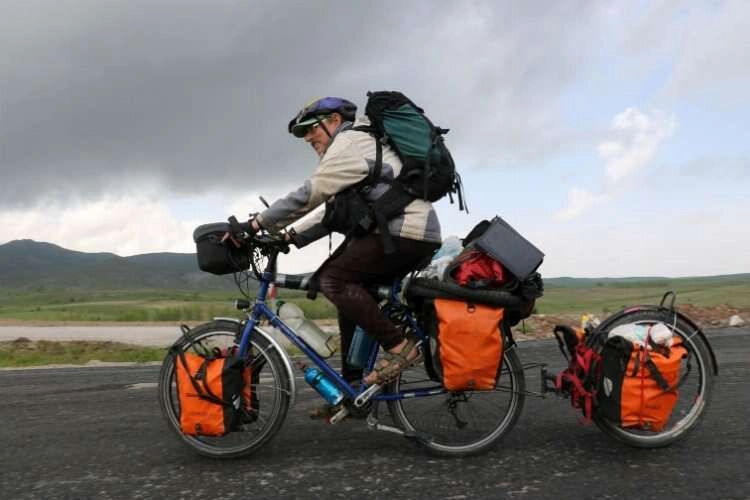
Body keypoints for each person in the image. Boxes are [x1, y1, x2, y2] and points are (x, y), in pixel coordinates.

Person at [238, 97, 441, 411]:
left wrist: (254, 225)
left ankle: (400, 347)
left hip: (406, 232)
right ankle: (355, 390)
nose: (307, 138)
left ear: (334, 120)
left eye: (310, 129)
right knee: (350, 296)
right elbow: (332, 212)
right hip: (405, 234)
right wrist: (289, 236)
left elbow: (310, 194)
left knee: (333, 280)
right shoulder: (355, 148)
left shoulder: (349, 142)